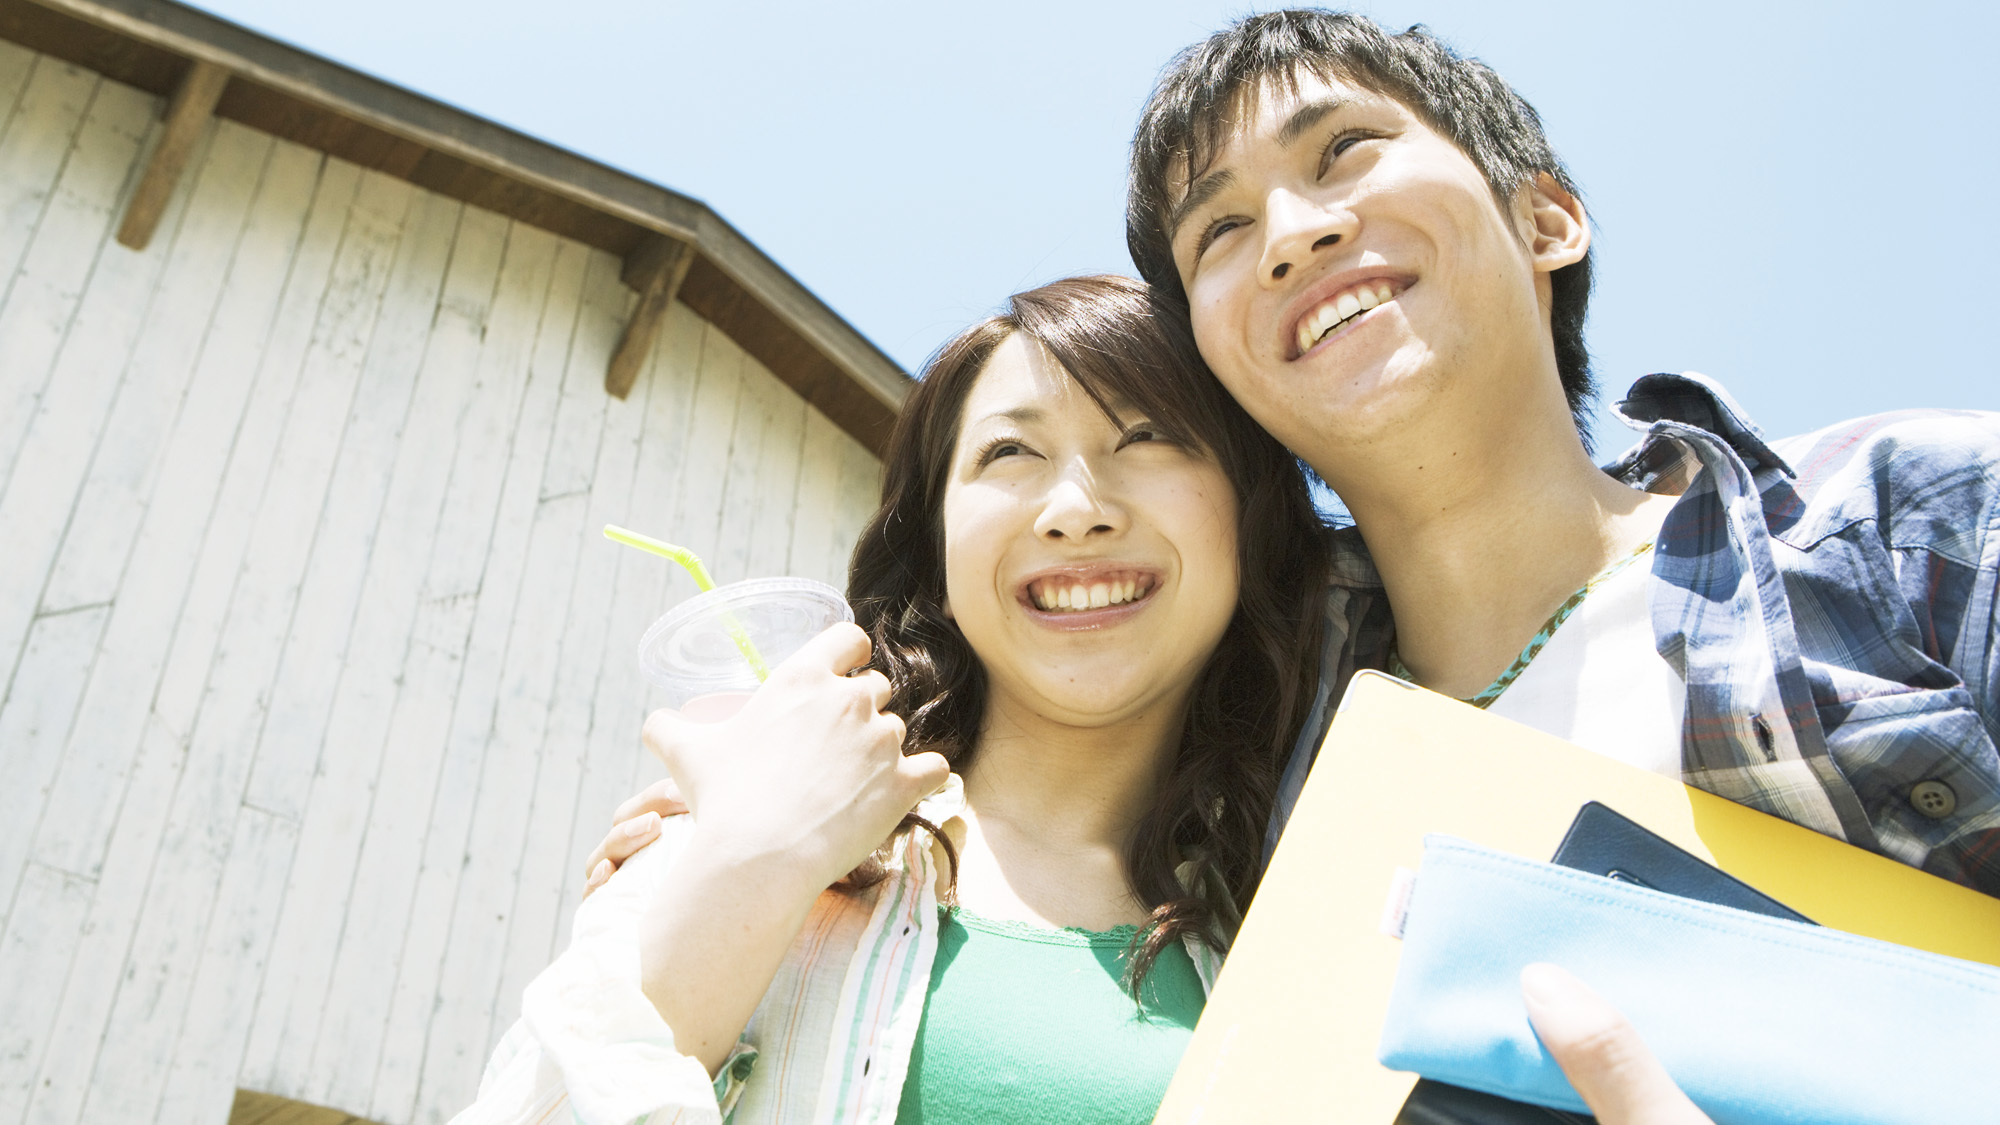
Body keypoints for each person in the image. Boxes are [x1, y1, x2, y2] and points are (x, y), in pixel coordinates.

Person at [1116, 8, 2000, 1120]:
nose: (1290, 233)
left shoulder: (1911, 518)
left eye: (1342, 150)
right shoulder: (1239, 778)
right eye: (1220, 233)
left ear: (1544, 219)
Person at [451, 275, 1330, 1125]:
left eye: (1147, 436)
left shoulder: (1313, 913)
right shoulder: (734, 828)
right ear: (939, 549)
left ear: (1252, 520)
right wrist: (750, 860)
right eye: (1010, 452)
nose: (1074, 509)